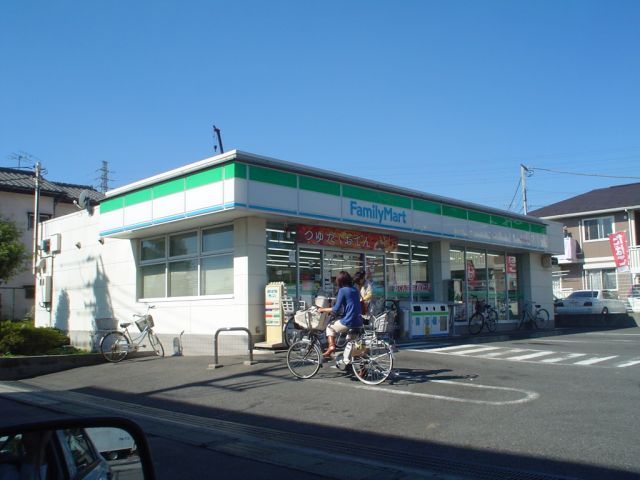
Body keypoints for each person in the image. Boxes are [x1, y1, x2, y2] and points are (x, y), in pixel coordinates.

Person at [317, 271, 362, 358]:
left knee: (330, 327)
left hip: (349, 321)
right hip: (359, 322)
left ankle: (331, 346)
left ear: (340, 281)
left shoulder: (342, 290)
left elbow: (336, 308)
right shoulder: (355, 290)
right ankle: (361, 368)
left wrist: (322, 309)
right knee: (356, 346)